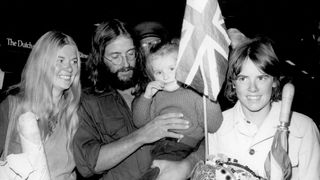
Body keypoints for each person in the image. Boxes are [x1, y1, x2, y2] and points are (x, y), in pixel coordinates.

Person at [72, 19, 195, 180]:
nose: (126, 63)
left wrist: (187, 166)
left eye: (130, 54)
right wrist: (142, 135)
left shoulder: (164, 86)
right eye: (115, 56)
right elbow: (88, 164)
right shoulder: (87, 102)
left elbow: (203, 136)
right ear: (100, 58)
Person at [207, 36, 320, 179]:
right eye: (243, 78)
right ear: (233, 83)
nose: (252, 88)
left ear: (274, 81)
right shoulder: (216, 127)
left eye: (261, 78)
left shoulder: (304, 129)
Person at [132, 42, 223, 180]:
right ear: (152, 76)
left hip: (185, 148)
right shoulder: (156, 96)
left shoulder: (195, 94)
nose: (165, 76)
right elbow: (139, 122)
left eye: (171, 68)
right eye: (159, 72)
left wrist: (208, 95)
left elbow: (213, 125)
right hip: (158, 148)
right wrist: (146, 97)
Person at [0, 31, 81, 179]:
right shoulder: (12, 107)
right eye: (60, 60)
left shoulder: (76, 114)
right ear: (42, 62)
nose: (70, 68)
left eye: (74, 61)